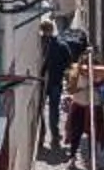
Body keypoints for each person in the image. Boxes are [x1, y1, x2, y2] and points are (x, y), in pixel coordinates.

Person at [38, 11, 89, 152]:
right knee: (53, 110)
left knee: (41, 110)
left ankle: (42, 136)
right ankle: (54, 136)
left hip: (42, 82)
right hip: (55, 82)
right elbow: (69, 63)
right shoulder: (60, 45)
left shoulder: (40, 44)